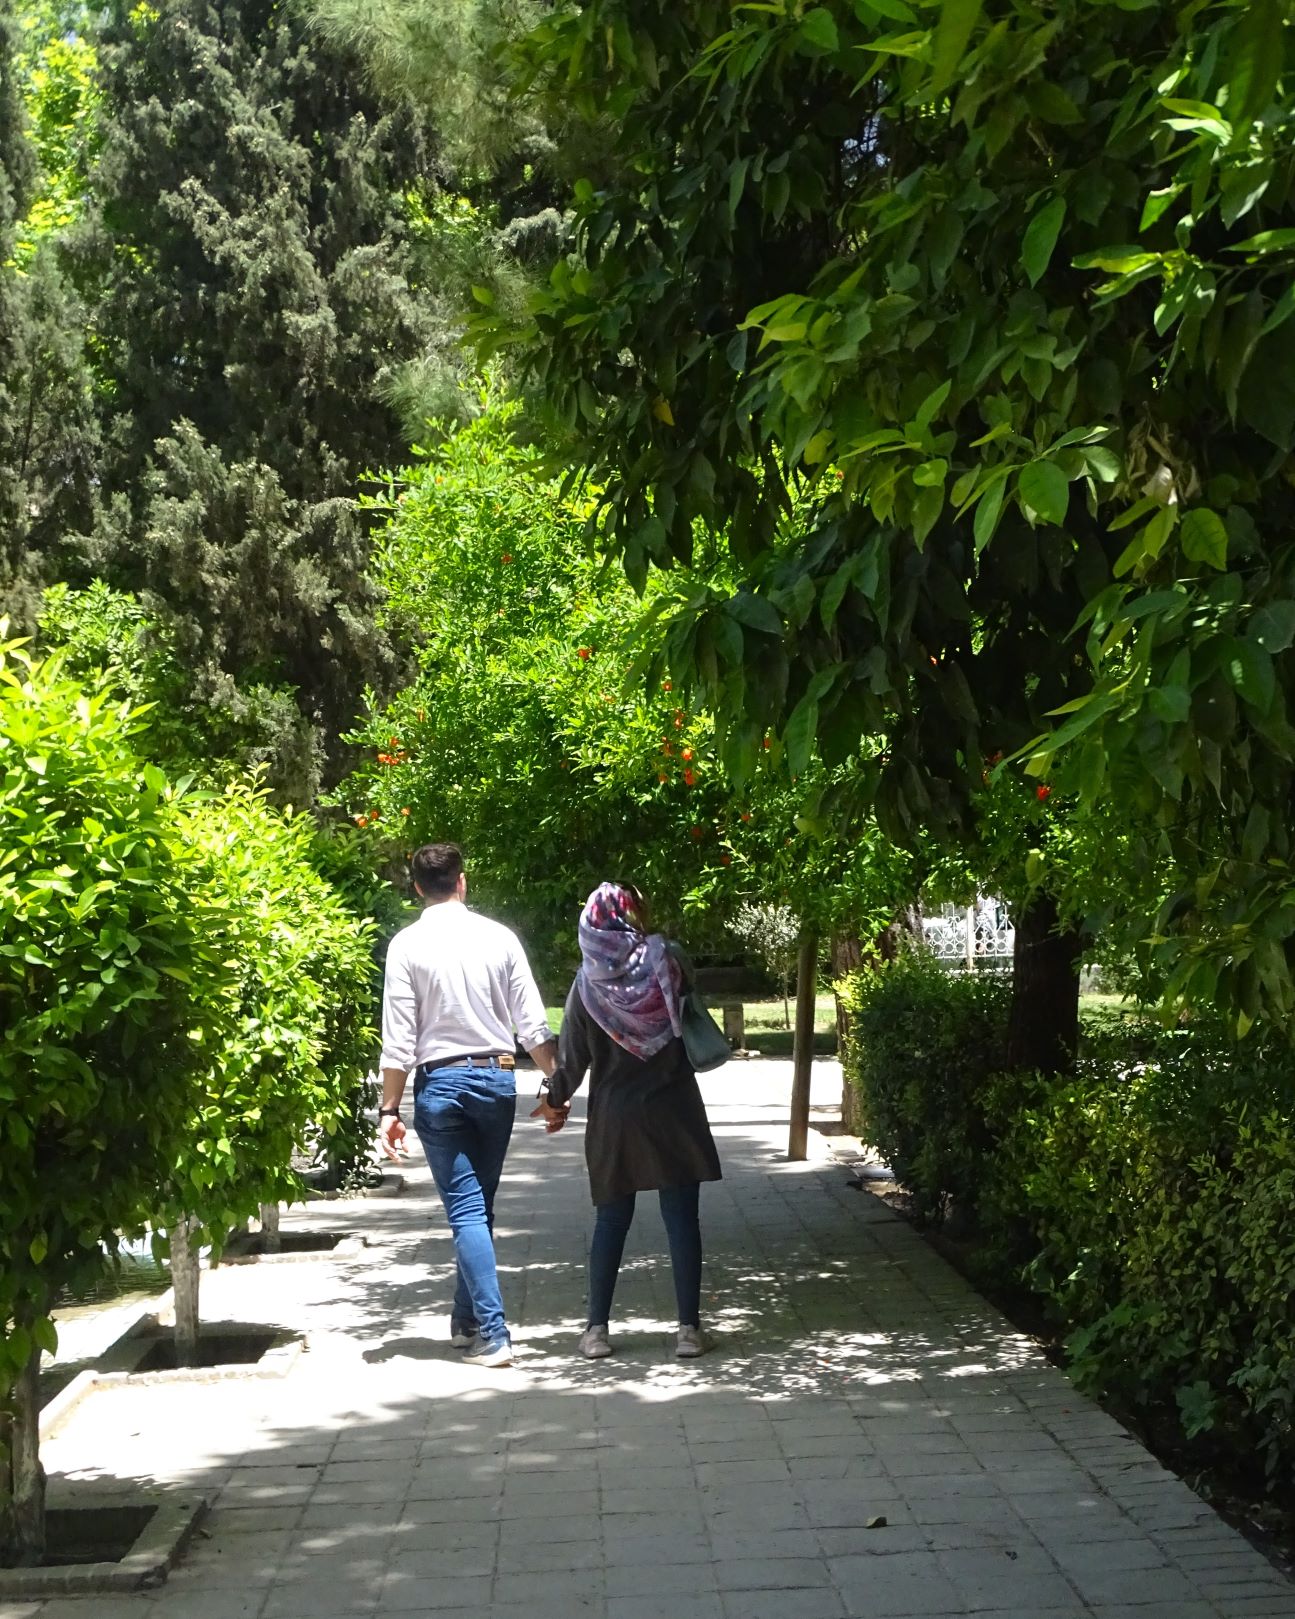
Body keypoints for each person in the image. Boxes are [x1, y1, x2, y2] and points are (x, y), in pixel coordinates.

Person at [377, 843, 559, 1368]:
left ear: (416, 887)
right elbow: (532, 1023)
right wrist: (557, 1085)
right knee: (478, 1207)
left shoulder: (406, 945)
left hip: (440, 1087)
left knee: (466, 1209)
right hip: (497, 1080)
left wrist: (389, 1109)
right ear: (462, 881)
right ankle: (467, 1319)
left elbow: (399, 1037)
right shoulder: (499, 938)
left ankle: (495, 1335)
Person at [533, 881, 722, 1360]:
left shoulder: (586, 985)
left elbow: (571, 1060)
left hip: (615, 1118)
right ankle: (688, 1332)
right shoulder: (669, 961)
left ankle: (596, 1330)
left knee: (611, 1221)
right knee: (682, 1220)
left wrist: (553, 1101)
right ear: (630, 916)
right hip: (674, 1108)